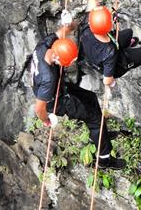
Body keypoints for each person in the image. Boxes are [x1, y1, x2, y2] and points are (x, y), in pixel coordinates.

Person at [30, 11, 126, 169]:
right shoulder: (48, 79)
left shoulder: (45, 46)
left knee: (91, 98)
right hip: (60, 101)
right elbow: (39, 107)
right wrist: (46, 120)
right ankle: (104, 159)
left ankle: (100, 135)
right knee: (94, 119)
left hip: (62, 89)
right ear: (56, 58)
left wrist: (69, 23)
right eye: (66, 63)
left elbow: (66, 30)